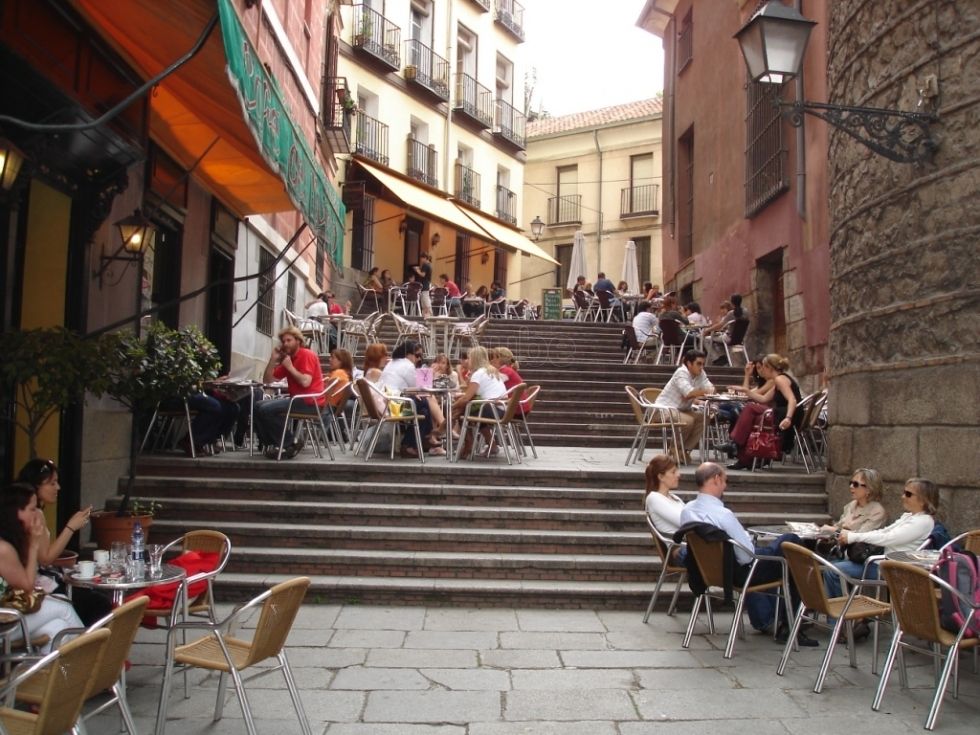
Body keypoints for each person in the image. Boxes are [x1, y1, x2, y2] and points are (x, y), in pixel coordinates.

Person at [679, 463, 815, 645]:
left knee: (780, 552)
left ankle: (774, 619)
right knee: (790, 543)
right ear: (717, 479)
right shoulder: (723, 514)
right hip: (739, 573)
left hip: (710, 573)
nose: (726, 486)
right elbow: (747, 557)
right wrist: (747, 540)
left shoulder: (687, 511)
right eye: (725, 480)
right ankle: (791, 626)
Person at [15, 460, 112, 625]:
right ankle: (91, 644)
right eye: (52, 483)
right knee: (98, 603)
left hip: (38, 578)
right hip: (36, 584)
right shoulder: (35, 514)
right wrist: (70, 527)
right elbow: (46, 558)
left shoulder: (31, 512)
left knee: (92, 599)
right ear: (35, 486)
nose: (58, 488)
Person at [823, 478, 939, 606]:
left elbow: (888, 537)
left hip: (894, 570)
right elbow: (883, 532)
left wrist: (853, 537)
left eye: (908, 494)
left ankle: (841, 618)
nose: (903, 497)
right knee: (832, 568)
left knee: (834, 570)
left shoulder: (922, 521)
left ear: (923, 500)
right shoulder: (909, 517)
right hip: (883, 564)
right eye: (904, 492)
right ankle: (841, 617)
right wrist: (853, 535)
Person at [0, 483, 85, 652]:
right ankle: (94, 664)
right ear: (16, 512)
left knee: (56, 628)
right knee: (65, 610)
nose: (36, 514)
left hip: (9, 618)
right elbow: (26, 585)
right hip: (5, 624)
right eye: (32, 509)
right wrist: (33, 545)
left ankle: (56, 678)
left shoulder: (10, 540)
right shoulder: (3, 548)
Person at [255, 326, 326, 459]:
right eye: (283, 341)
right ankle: (272, 444)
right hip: (297, 400)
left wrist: (290, 368)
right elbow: (267, 380)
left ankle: (289, 442)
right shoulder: (289, 359)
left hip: (310, 402)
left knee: (266, 409)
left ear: (298, 341)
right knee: (258, 405)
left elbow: (306, 382)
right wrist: (273, 359)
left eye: (289, 340)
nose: (285, 343)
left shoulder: (306, 355)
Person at [725, 353, 801, 470]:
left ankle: (735, 444)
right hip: (781, 412)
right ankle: (744, 459)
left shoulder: (780, 379)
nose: (761, 371)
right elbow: (764, 399)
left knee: (750, 408)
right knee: (753, 416)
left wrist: (788, 418)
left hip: (786, 413)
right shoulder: (778, 379)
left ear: (769, 368)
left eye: (763, 367)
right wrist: (746, 390)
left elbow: (792, 399)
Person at [379, 341, 441, 457]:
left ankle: (415, 443)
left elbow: (413, 388)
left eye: (421, 356)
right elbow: (421, 387)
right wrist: (431, 375)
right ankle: (419, 440)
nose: (418, 359)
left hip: (387, 405)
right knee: (423, 402)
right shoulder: (407, 365)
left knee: (423, 408)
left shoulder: (392, 363)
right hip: (395, 408)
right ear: (408, 354)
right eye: (417, 355)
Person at [652, 349, 715, 458]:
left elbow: (712, 389)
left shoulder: (701, 373)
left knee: (704, 417)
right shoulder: (681, 372)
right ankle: (674, 449)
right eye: (698, 364)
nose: (701, 367)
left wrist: (699, 392)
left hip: (682, 410)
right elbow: (688, 393)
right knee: (687, 421)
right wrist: (702, 392)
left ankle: (684, 450)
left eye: (703, 364)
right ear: (689, 364)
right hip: (663, 410)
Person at [452, 346, 508, 459]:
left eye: (470, 358)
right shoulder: (491, 371)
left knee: (463, 412)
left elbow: (466, 398)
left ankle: (468, 445)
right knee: (471, 410)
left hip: (493, 409)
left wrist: (451, 407)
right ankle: (490, 445)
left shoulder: (478, 374)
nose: (468, 361)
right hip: (502, 409)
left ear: (474, 359)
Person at [820, 469, 888, 535]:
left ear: (869, 489)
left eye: (855, 484)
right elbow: (838, 527)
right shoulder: (851, 505)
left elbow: (860, 536)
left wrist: (833, 530)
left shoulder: (877, 512)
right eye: (851, 483)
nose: (851, 486)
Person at [644, 454, 686, 540]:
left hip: (690, 544)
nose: (678, 475)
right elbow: (685, 522)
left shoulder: (674, 497)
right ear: (661, 477)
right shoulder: (654, 498)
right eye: (673, 472)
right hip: (680, 547)